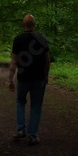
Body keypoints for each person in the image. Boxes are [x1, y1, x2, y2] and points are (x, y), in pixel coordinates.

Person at [8, 14, 51, 146]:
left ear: (23, 24)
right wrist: (46, 75)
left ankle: (21, 129)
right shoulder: (42, 39)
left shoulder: (18, 39)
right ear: (34, 24)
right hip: (39, 79)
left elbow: (14, 61)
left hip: (23, 79)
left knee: (20, 101)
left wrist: (10, 79)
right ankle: (33, 135)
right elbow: (47, 60)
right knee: (36, 106)